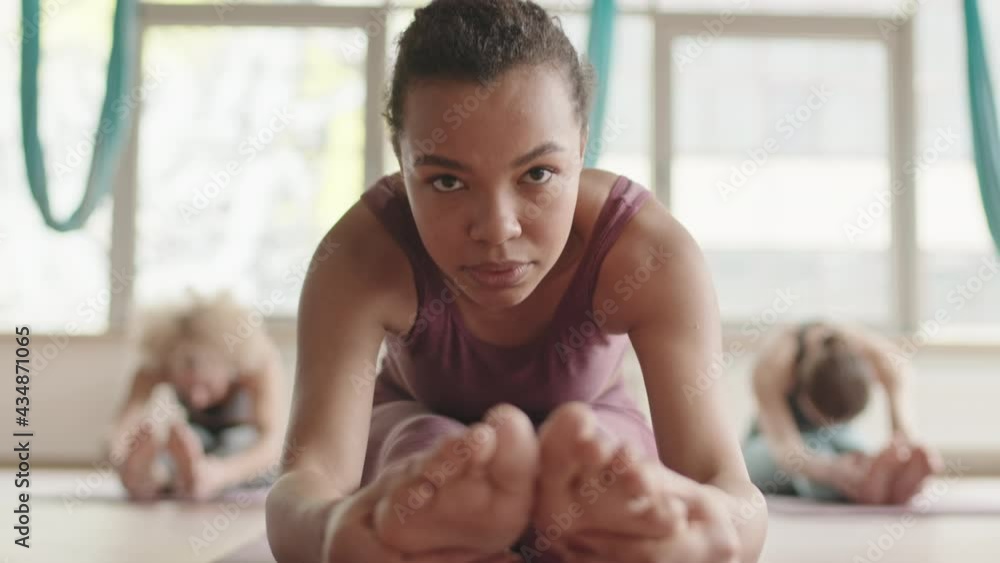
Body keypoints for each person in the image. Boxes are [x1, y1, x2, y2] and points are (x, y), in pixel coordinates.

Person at [266, 1, 767, 561]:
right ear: (400, 162)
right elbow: (305, 482)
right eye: (448, 181)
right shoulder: (360, 255)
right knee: (427, 446)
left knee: (606, 459)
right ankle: (429, 518)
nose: (497, 229)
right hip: (411, 424)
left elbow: (725, 483)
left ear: (581, 150)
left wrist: (702, 532)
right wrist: (339, 531)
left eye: (538, 174)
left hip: (595, 423)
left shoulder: (648, 253)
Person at [109, 292, 286, 501]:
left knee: (240, 442)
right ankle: (154, 475)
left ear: (231, 366)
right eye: (185, 388)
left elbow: (271, 444)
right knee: (183, 440)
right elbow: (121, 429)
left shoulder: (258, 367)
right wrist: (121, 461)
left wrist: (220, 474)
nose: (196, 399)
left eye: (207, 387)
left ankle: (193, 476)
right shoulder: (156, 367)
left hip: (241, 449)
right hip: (196, 440)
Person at [742, 320, 942, 504]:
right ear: (801, 393)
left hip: (839, 436)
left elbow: (903, 419)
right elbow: (785, 448)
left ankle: (869, 480)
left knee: (858, 458)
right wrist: (830, 470)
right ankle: (856, 486)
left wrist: (903, 446)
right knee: (779, 466)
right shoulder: (774, 364)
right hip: (775, 439)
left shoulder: (872, 354)